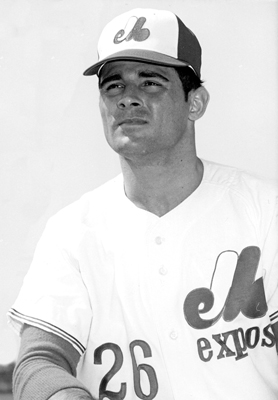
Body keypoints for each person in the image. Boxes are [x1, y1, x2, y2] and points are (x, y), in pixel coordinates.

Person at [7, 7, 278, 400]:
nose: (127, 98)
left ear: (195, 103)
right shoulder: (73, 232)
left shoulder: (264, 211)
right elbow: (39, 361)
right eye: (113, 86)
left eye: (151, 82)